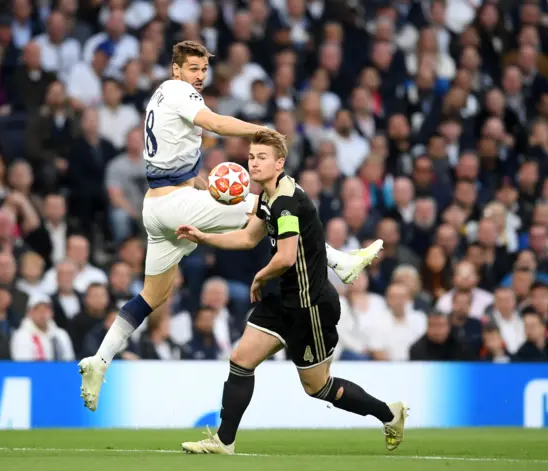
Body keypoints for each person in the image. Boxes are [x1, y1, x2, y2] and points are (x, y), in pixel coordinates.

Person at [78, 41, 383, 411]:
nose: (200, 76)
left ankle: (100, 359)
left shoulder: (161, 95)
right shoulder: (179, 92)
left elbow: (177, 161)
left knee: (153, 296)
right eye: (193, 68)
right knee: (266, 204)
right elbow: (218, 124)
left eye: (203, 70)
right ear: (176, 70)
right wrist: (262, 131)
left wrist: (206, 185)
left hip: (157, 206)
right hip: (175, 205)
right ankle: (341, 263)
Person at [176, 130, 406, 454]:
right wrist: (203, 237)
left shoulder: (285, 202)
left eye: (262, 158)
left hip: (309, 305)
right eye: (252, 157)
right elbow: (246, 239)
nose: (253, 163)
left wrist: (258, 277)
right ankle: (224, 441)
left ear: (279, 162)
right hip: (284, 298)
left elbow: (284, 257)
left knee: (318, 387)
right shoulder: (268, 197)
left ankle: (389, 413)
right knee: (241, 359)